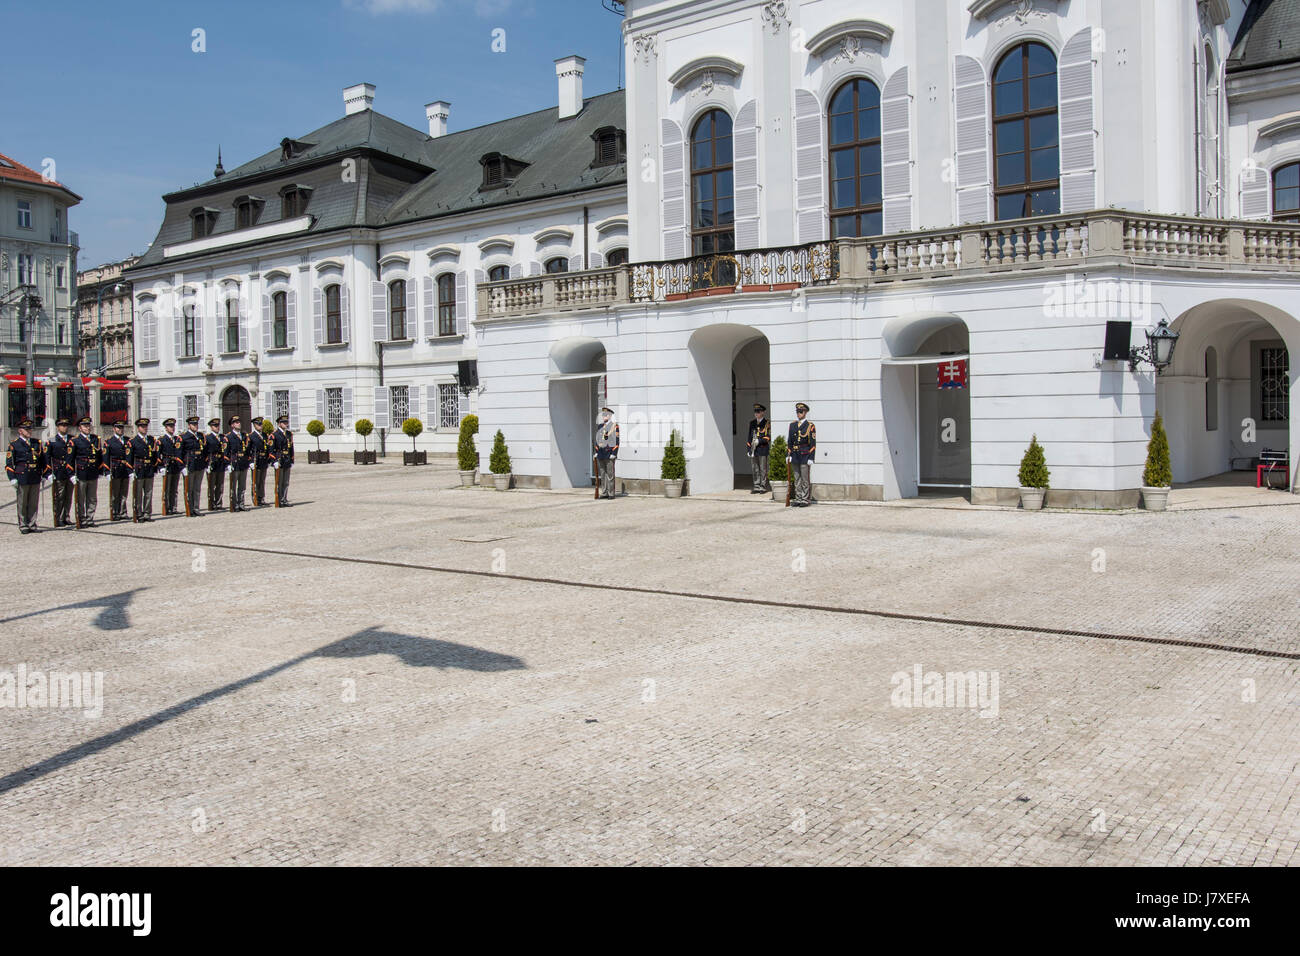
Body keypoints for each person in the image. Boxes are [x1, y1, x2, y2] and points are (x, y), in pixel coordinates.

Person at [6, 417, 50, 534]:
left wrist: (46, 474)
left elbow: (43, 461)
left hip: (35, 475)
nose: (29, 431)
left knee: (33, 502)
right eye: (26, 429)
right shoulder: (15, 445)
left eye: (30, 429)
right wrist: (12, 478)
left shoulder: (37, 443)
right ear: (20, 431)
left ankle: (32, 523)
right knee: (22, 502)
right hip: (22, 476)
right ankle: (23, 524)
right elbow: (9, 464)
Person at [71, 416, 108, 527]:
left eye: (88, 425)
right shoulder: (75, 441)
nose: (87, 427)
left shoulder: (96, 439)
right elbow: (70, 458)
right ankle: (81, 518)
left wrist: (101, 470)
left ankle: (90, 518)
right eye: (84, 426)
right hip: (81, 472)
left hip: (93, 472)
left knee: (92, 498)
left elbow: (100, 456)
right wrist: (71, 474)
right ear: (79, 428)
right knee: (81, 498)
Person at [126, 417, 160, 522]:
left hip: (149, 469)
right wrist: (130, 472)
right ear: (138, 428)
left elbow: (154, 455)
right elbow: (129, 458)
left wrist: (155, 467)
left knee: (148, 493)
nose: (144, 428)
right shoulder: (133, 441)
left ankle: (147, 513)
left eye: (146, 426)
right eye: (142, 426)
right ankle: (138, 514)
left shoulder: (151, 440)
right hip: (139, 469)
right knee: (138, 493)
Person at [787, 402, 817, 507]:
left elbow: (812, 443)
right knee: (797, 478)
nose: (799, 414)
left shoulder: (810, 426)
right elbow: (789, 441)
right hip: (795, 455)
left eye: (801, 411)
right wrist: (789, 454)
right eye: (797, 412)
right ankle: (798, 498)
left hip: (805, 455)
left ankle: (805, 499)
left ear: (805, 412)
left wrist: (811, 457)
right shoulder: (792, 425)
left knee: (805, 479)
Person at [48, 417, 74, 527]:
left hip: (70, 472)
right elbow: (47, 457)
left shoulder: (73, 439)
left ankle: (66, 516)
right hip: (59, 471)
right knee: (59, 496)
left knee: (69, 496)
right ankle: (57, 517)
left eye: (66, 425)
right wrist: (49, 472)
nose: (64, 427)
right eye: (62, 425)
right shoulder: (52, 440)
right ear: (58, 427)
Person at [180, 416, 207, 518]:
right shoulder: (184, 437)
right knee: (189, 489)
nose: (195, 426)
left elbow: (204, 451)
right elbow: (179, 453)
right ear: (189, 425)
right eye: (193, 424)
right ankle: (189, 508)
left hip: (199, 465)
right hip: (189, 466)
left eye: (196, 424)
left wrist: (205, 464)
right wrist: (182, 467)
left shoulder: (200, 436)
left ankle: (196, 508)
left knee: (197, 488)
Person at [105, 420, 131, 520]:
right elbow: (106, 458)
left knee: (124, 492)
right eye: (118, 428)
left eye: (121, 428)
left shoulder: (128, 440)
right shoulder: (109, 442)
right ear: (114, 429)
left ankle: (123, 512)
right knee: (115, 493)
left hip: (125, 469)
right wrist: (107, 471)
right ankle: (115, 512)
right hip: (115, 468)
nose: (120, 430)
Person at [225, 416, 251, 512]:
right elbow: (226, 452)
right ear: (232, 425)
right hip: (234, 463)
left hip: (243, 463)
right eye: (236, 422)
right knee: (233, 486)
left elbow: (248, 450)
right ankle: (234, 505)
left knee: (242, 486)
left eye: (239, 422)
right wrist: (228, 464)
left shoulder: (244, 436)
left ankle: (241, 504)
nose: (238, 423)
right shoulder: (228, 437)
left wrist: (249, 461)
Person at [158, 418, 184, 516]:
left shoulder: (177, 439)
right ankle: (167, 507)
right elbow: (158, 454)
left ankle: (173, 507)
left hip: (175, 466)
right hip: (167, 465)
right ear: (166, 428)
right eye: (170, 426)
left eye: (173, 426)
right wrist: (161, 467)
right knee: (167, 488)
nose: (172, 428)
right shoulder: (162, 440)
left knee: (174, 488)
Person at [593, 406, 619, 500]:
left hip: (609, 453)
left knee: (610, 475)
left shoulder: (614, 426)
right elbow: (597, 440)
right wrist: (596, 451)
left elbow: (616, 440)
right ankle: (604, 492)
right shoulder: (600, 426)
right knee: (603, 474)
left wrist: (614, 453)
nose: (604, 416)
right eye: (603, 415)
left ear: (610, 416)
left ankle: (611, 493)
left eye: (606, 415)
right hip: (601, 453)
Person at [747, 403, 772, 494]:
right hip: (754, 449)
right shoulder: (752, 423)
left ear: (763, 412)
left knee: (763, 469)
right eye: (755, 412)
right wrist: (749, 449)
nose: (756, 413)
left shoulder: (767, 423)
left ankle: (763, 486)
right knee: (755, 468)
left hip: (762, 448)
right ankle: (756, 486)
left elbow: (768, 437)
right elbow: (749, 437)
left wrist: (759, 441)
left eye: (758, 412)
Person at [271, 414, 294, 506]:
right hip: (279, 460)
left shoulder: (289, 434)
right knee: (279, 482)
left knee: (286, 482)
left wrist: (292, 459)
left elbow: (291, 448)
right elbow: (271, 449)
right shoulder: (274, 435)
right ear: (279, 424)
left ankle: (284, 499)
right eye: (283, 422)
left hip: (287, 460)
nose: (286, 424)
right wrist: (274, 461)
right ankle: (278, 499)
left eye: (286, 422)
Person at [204, 417, 226, 511]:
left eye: (218, 425)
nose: (217, 427)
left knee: (220, 485)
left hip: (220, 463)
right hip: (212, 463)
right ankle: (211, 503)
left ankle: (218, 503)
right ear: (211, 427)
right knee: (211, 485)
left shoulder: (222, 437)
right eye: (215, 426)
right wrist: (206, 465)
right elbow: (205, 452)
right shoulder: (208, 438)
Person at [249, 417, 269, 507]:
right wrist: (250, 462)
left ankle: (261, 498)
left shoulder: (265, 435)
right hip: (256, 461)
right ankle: (255, 498)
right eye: (258, 424)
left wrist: (269, 459)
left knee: (262, 480)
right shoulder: (251, 436)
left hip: (263, 461)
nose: (260, 426)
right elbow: (248, 450)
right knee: (255, 481)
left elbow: (268, 449)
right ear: (254, 425)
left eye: (261, 424)